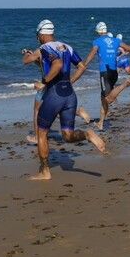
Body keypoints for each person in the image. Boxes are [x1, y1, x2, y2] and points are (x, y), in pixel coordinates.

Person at [29, 19, 106, 181]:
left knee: (41, 133)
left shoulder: (43, 48)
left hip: (54, 95)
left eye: (37, 35)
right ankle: (87, 134)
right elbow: (82, 66)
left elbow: (55, 66)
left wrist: (43, 81)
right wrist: (70, 81)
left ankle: (45, 171)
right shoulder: (67, 47)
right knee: (68, 136)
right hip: (70, 94)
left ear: (41, 34)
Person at [81, 22, 130, 130]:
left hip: (105, 72)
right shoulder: (116, 41)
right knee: (103, 98)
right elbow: (128, 47)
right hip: (114, 72)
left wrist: (84, 64)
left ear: (98, 31)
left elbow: (92, 53)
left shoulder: (97, 41)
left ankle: (125, 84)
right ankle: (101, 123)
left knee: (108, 99)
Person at [22, 46, 90, 144]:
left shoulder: (43, 51)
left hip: (47, 85)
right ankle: (78, 112)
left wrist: (27, 55)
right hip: (59, 85)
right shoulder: (57, 52)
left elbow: (26, 61)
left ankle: (37, 137)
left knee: (37, 110)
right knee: (55, 109)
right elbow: (44, 64)